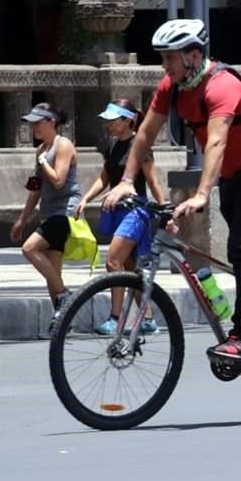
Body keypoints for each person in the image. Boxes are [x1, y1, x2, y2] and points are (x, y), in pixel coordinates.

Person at [102, 19, 241, 360]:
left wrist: (201, 194)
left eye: (169, 57)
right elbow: (143, 135)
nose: (164, 65)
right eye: (163, 58)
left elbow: (216, 142)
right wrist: (126, 181)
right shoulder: (172, 85)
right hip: (232, 173)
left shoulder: (222, 86)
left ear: (194, 56)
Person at [74, 99, 167, 335]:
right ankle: (147, 319)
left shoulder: (141, 146)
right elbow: (105, 178)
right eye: (107, 120)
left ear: (128, 120)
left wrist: (167, 210)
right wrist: (87, 198)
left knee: (113, 261)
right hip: (116, 209)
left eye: (113, 120)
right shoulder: (112, 145)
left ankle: (116, 319)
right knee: (130, 267)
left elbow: (153, 181)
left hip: (135, 211)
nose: (109, 125)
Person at [10, 102, 81, 326]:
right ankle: (62, 321)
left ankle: (65, 297)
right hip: (49, 213)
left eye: (38, 123)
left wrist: (43, 162)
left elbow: (59, 181)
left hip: (65, 212)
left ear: (52, 123)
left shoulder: (63, 145)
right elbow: (36, 189)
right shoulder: (41, 150)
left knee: (29, 249)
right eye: (32, 125)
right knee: (53, 269)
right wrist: (22, 219)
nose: (34, 129)